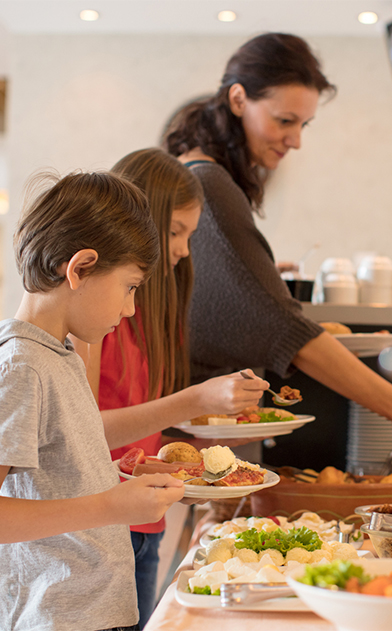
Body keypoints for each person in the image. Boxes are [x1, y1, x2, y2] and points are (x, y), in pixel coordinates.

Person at [163, 32, 392, 459]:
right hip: (182, 442)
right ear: (237, 100)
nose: (296, 140)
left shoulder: (198, 172)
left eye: (302, 125)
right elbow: (288, 332)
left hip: (187, 434)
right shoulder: (211, 184)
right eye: (284, 120)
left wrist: (262, 275)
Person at [70, 148, 269, 628]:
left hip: (145, 522)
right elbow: (85, 432)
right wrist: (196, 399)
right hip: (102, 525)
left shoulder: (151, 318)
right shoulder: (95, 320)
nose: (182, 250)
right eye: (176, 231)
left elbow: (143, 438)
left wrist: (212, 453)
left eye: (189, 235)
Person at [0, 170, 185, 631]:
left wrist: (120, 476)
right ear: (79, 268)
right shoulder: (22, 366)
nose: (130, 309)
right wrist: (112, 505)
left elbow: (53, 473)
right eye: (130, 287)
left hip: (93, 615)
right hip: (56, 619)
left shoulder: (59, 354)